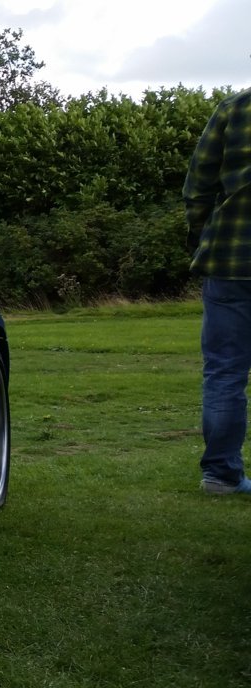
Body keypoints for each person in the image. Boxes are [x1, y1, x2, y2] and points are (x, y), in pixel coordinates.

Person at [184, 86, 251, 496]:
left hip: (231, 260)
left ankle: (221, 476)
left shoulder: (234, 108)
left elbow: (199, 185)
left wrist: (202, 234)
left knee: (225, 371)